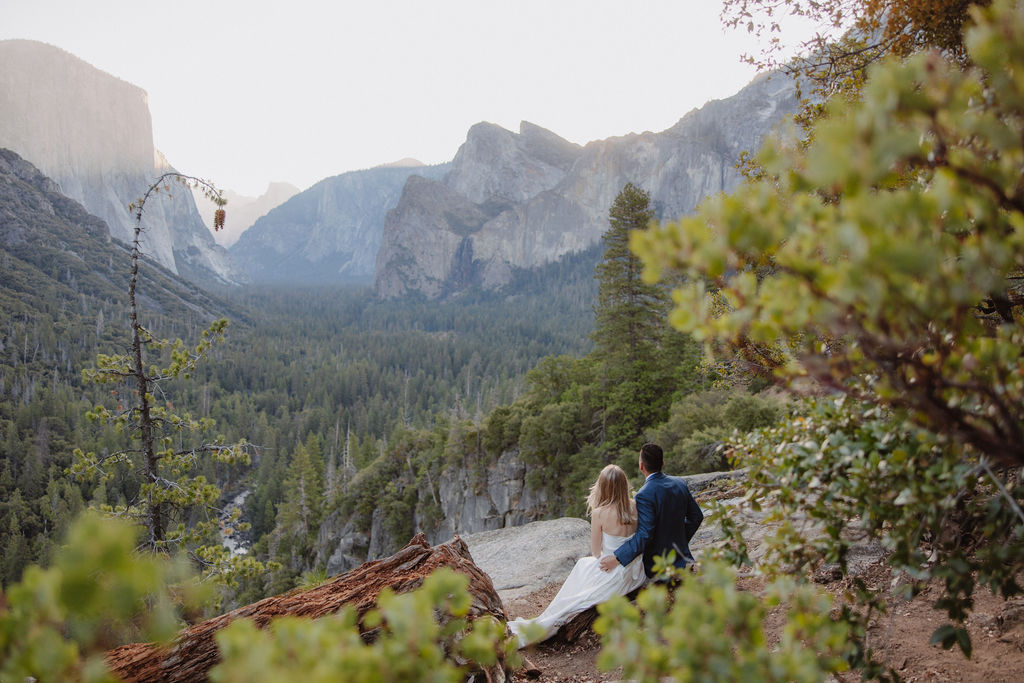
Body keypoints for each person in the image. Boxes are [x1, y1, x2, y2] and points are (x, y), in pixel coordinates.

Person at [506, 464, 647, 648]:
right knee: (583, 569)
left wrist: (608, 555)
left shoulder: (600, 513)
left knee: (582, 566)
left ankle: (546, 620)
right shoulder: (636, 506)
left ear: (602, 486)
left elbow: (596, 551)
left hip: (613, 568)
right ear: (624, 484)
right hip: (635, 569)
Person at [598, 442, 703, 578]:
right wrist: (679, 540)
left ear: (641, 466)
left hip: (658, 568)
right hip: (683, 559)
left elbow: (644, 535)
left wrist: (617, 558)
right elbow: (697, 517)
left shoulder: (644, 494)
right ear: (663, 463)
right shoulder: (679, 483)